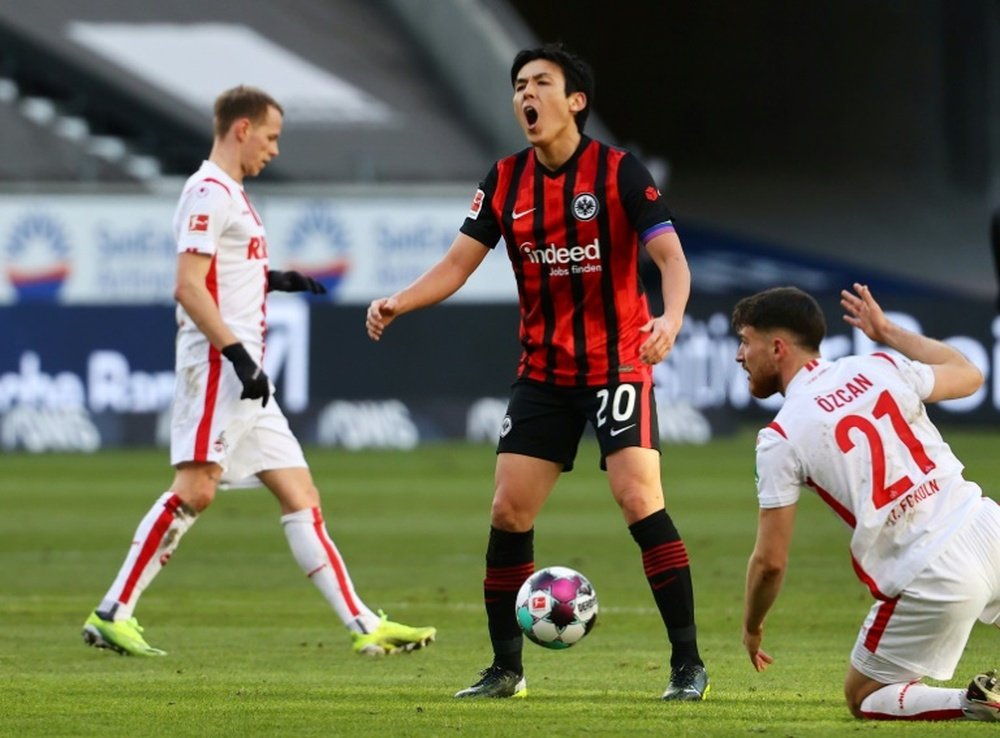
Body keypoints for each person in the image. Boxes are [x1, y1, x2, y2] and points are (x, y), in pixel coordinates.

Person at [366, 44, 708, 701]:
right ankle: (505, 669)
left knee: (638, 498)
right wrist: (399, 301)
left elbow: (670, 257)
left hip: (616, 364)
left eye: (541, 83)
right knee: (508, 508)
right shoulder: (504, 180)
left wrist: (670, 319)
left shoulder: (618, 172)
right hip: (544, 371)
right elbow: (458, 263)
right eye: (519, 85)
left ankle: (687, 665)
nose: (527, 94)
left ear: (574, 100)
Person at [82, 85, 435, 658]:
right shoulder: (209, 191)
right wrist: (238, 356)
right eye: (270, 137)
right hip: (222, 369)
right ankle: (114, 611)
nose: (274, 149)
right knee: (196, 488)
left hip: (247, 380)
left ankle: (363, 623)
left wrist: (276, 279)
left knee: (301, 493)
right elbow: (188, 287)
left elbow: (224, 271)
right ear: (241, 129)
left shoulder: (231, 194)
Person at [732, 283, 1000, 721]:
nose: (740, 356)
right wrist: (887, 330)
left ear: (777, 347)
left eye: (745, 341)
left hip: (931, 569)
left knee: (863, 695)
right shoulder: (880, 365)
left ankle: (974, 702)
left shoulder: (779, 437)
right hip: (986, 525)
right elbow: (969, 373)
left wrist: (751, 626)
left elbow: (771, 562)